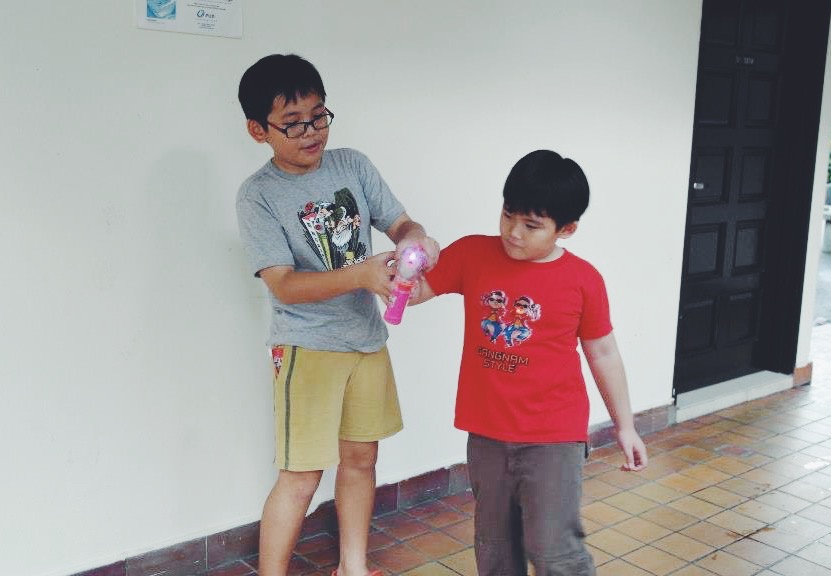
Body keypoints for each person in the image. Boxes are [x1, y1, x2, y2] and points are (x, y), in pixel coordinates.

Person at [235, 53, 439, 576]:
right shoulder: (258, 195)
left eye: (318, 116)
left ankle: (352, 567)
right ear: (258, 130)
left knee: (361, 461)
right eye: (293, 122)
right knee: (301, 476)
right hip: (307, 349)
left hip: (366, 341)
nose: (311, 132)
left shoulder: (353, 165)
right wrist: (360, 276)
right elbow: (284, 285)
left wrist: (416, 239)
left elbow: (400, 223)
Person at [411, 150, 648, 576]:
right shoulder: (472, 254)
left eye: (531, 225)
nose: (513, 233)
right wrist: (407, 263)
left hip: (553, 437)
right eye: (508, 215)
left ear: (567, 229)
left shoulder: (583, 280)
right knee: (495, 547)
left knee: (553, 547)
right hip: (487, 433)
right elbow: (413, 293)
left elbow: (603, 353)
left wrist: (625, 426)